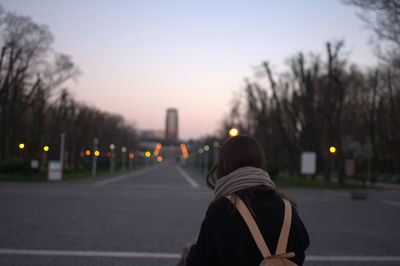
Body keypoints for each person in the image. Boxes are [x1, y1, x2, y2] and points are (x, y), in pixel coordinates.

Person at [185, 135, 310, 266]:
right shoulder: (288, 208)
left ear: (224, 165)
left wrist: (192, 251)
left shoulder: (222, 209)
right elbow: (299, 253)